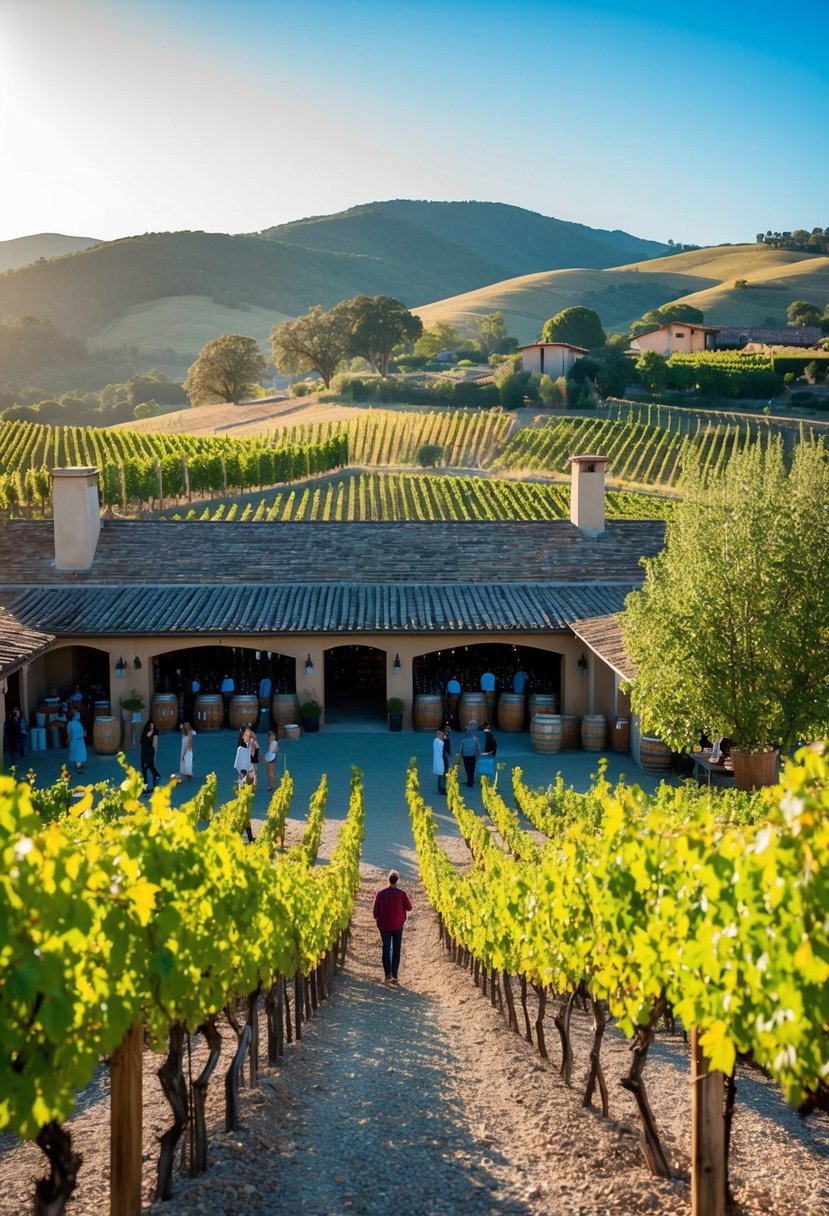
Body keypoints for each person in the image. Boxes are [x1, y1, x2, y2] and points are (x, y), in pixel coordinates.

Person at [372, 871, 412, 985]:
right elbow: (410, 907)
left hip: (384, 925)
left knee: (386, 948)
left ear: (388, 880)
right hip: (398, 925)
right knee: (396, 949)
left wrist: (378, 919)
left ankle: (387, 975)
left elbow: (375, 911)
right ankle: (394, 974)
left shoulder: (380, 894)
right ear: (397, 880)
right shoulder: (402, 894)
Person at [140, 720, 161, 790]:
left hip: (149, 754)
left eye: (153, 726)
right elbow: (144, 739)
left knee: (151, 768)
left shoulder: (153, 733)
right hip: (144, 753)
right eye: (150, 726)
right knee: (144, 770)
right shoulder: (145, 734)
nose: (152, 728)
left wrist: (154, 756)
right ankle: (146, 786)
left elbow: (154, 745)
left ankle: (155, 780)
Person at [459, 722, 480, 788]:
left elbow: (461, 749)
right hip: (472, 756)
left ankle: (469, 780)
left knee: (467, 769)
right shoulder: (475, 740)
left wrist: (461, 756)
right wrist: (477, 755)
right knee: (472, 769)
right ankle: (471, 780)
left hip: (466, 756)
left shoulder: (463, 741)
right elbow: (478, 748)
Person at [432, 728, 447, 794]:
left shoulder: (437, 742)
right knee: (442, 776)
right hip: (442, 762)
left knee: (440, 775)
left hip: (440, 762)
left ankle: (440, 788)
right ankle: (442, 789)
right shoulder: (440, 743)